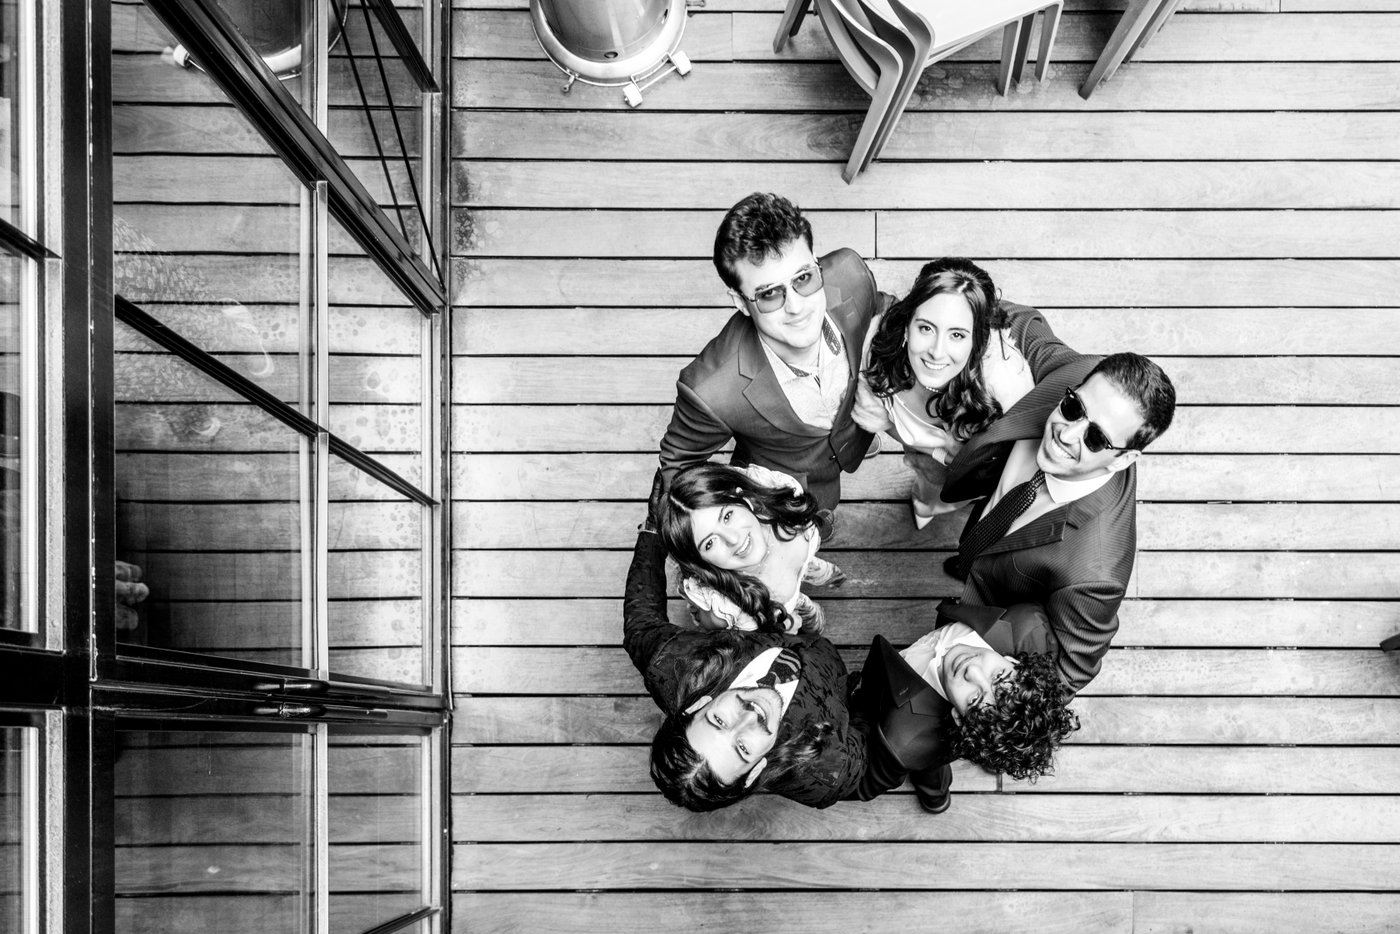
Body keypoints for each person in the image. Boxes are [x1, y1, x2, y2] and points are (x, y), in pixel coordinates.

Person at [627, 480, 1075, 812]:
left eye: (719, 720)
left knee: (928, 752)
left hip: (913, 723)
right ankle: (936, 780)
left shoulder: (675, 665)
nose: (750, 716)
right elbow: (869, 773)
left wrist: (651, 536)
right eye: (743, 749)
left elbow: (640, 626)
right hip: (877, 710)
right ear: (757, 770)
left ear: (698, 704)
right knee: (923, 752)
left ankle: (934, 780)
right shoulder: (826, 768)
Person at [942, 335, 1178, 693]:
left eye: (1095, 439)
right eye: (1073, 408)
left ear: (1124, 458)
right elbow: (1019, 324)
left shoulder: (1095, 574)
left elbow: (1069, 672)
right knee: (973, 545)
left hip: (989, 618)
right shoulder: (1083, 375)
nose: (1066, 434)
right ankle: (965, 561)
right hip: (988, 522)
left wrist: (985, 692)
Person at [652, 192, 895, 521]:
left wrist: (874, 379)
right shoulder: (711, 390)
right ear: (741, 302)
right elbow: (678, 470)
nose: (796, 307)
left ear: (817, 263)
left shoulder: (850, 273)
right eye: (769, 294)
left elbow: (883, 310)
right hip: (790, 496)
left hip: (856, 433)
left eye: (803, 278)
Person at [854, 257, 1036, 527]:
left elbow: (1012, 463)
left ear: (977, 341)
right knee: (926, 481)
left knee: (948, 490)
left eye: (957, 335)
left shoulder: (1006, 387)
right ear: (907, 325)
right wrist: (888, 424)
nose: (937, 352)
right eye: (926, 328)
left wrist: (946, 453)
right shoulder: (879, 342)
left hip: (971, 468)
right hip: (925, 459)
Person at [660, 462, 844, 635]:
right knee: (811, 625)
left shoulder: (783, 503)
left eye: (727, 516)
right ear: (701, 561)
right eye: (710, 543)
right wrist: (783, 626)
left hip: (807, 565)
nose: (733, 539)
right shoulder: (728, 608)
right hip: (778, 615)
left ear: (744, 498)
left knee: (819, 572)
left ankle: (826, 577)